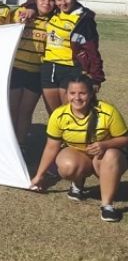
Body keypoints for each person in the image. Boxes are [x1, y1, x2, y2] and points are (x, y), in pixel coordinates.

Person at [30, 75, 127, 222]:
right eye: (72, 93)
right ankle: (77, 182)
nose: (77, 98)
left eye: (82, 93)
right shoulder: (59, 115)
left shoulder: (108, 111)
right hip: (79, 155)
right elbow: (51, 147)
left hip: (105, 157)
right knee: (67, 166)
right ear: (66, 94)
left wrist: (105, 145)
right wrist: (39, 175)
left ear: (91, 93)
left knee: (111, 155)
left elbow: (125, 138)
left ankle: (107, 205)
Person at [42, 0, 105, 112]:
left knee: (70, 113)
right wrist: (30, 7)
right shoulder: (52, 13)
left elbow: (92, 50)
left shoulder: (84, 20)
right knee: (54, 116)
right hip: (49, 68)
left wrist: (96, 78)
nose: (63, 3)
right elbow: (36, 0)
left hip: (71, 69)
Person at [10, 0, 54, 146]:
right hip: (15, 70)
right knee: (11, 110)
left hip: (35, 72)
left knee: (25, 112)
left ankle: (21, 145)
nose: (46, 3)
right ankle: (9, 145)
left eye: (50, 0)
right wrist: (28, 12)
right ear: (36, 0)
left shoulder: (53, 21)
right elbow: (13, 22)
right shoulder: (23, 12)